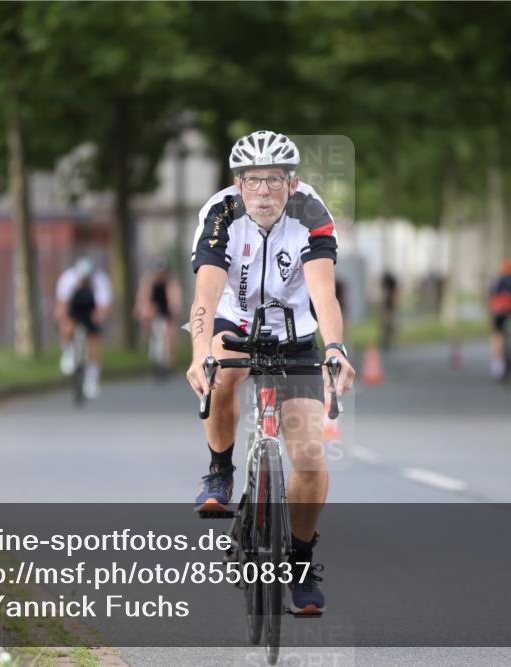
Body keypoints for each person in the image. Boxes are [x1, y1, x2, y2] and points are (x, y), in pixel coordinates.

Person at [185, 130, 356, 615]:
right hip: (233, 316)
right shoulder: (219, 214)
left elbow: (324, 294)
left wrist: (336, 349)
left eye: (274, 181)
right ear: (238, 184)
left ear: (292, 182)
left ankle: (300, 562)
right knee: (220, 374)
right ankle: (220, 471)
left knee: (308, 455)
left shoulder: (312, 213)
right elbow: (205, 297)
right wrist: (200, 354)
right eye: (253, 181)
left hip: (294, 327)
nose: (263, 191)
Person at [55, 257, 112, 398]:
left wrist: (99, 317)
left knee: (94, 340)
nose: (85, 281)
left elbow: (103, 306)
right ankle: (68, 351)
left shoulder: (101, 280)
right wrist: (63, 318)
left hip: (91, 310)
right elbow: (62, 304)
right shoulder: (68, 279)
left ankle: (92, 378)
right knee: (67, 326)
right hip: (74, 308)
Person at [134, 257, 183, 375]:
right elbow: (142, 298)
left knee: (170, 332)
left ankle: (171, 361)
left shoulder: (171, 282)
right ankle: (151, 347)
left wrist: (175, 310)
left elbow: (175, 300)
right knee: (148, 319)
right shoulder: (148, 281)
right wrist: (141, 311)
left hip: (166, 306)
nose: (160, 276)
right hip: (154, 306)